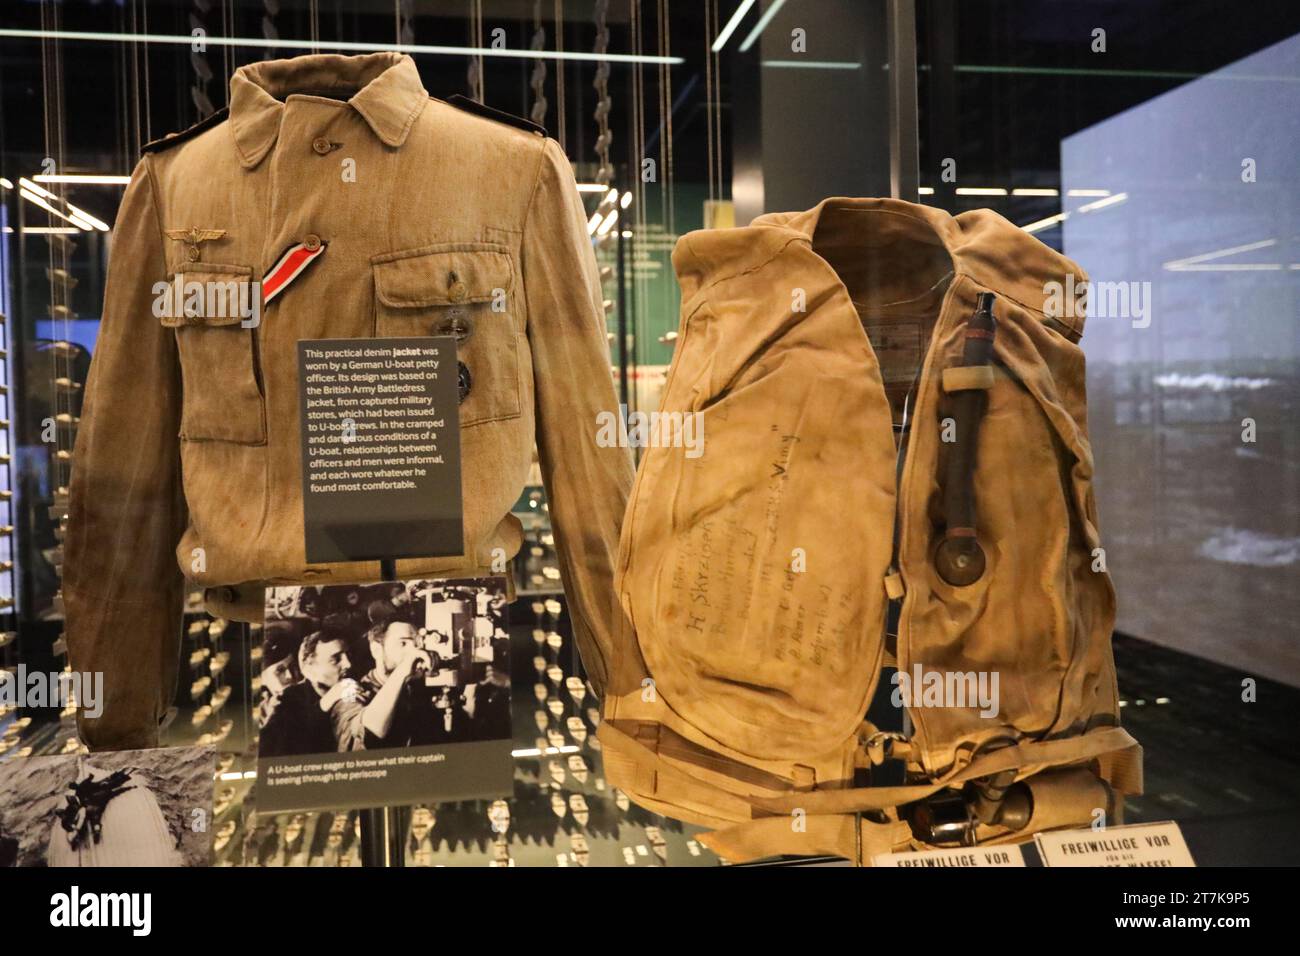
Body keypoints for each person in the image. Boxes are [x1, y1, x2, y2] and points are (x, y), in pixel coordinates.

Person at [329, 621, 435, 750]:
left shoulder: (418, 691)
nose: (415, 651)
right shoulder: (350, 695)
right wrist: (402, 671)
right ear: (377, 650)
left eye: (418, 643)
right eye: (403, 643)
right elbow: (369, 732)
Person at [260, 630, 345, 757]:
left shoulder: (311, 693)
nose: (290, 675)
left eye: (292, 666)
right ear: (262, 679)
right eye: (280, 671)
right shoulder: (261, 714)